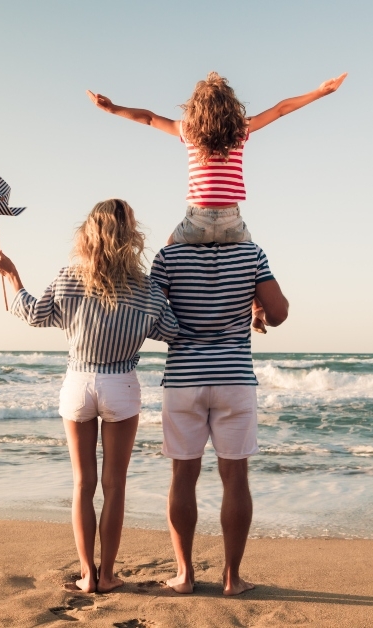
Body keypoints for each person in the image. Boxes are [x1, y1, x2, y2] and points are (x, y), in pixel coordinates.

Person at [0, 199, 178, 594]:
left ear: (89, 233)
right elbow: (172, 330)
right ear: (130, 236)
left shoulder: (69, 278)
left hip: (78, 384)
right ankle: (109, 575)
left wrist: (12, 276)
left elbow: (36, 315)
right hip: (122, 385)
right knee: (115, 485)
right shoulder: (145, 288)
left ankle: (86, 575)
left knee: (83, 483)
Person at [86, 71, 341, 334]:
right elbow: (280, 110)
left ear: (195, 108)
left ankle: (155, 315)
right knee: (253, 266)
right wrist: (319, 92)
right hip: (232, 221)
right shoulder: (240, 129)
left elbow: (149, 118)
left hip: (196, 220)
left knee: (167, 255)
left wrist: (113, 109)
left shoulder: (187, 130)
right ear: (231, 107)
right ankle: (257, 310)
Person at [148, 238, 289, 596]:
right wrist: (256, 308)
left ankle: (184, 575)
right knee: (235, 476)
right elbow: (280, 312)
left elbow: (151, 313)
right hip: (233, 378)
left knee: (182, 475)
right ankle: (232, 578)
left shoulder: (169, 255)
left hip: (183, 380)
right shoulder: (251, 253)